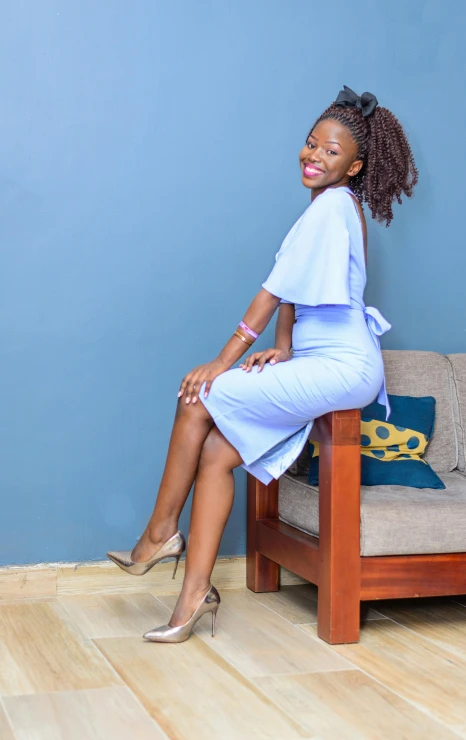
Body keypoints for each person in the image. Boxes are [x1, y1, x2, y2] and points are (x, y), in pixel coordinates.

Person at [107, 85, 418, 642]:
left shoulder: (330, 209)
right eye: (310, 144)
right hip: (325, 360)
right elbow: (298, 292)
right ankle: (193, 598)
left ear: (355, 166)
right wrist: (286, 345)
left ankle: (159, 532)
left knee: (201, 394)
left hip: (343, 366)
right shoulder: (333, 209)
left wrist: (221, 361)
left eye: (330, 151)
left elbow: (273, 290)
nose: (314, 156)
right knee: (215, 453)